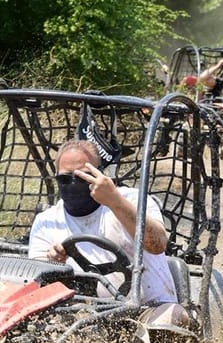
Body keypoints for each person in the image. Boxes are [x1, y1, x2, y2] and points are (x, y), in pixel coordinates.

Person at [28, 139, 188, 325]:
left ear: (98, 174)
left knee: (173, 315)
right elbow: (35, 289)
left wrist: (114, 201)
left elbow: (157, 244)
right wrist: (53, 264)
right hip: (83, 320)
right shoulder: (46, 222)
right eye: (65, 178)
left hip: (149, 311)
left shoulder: (133, 199)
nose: (73, 183)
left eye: (82, 177)